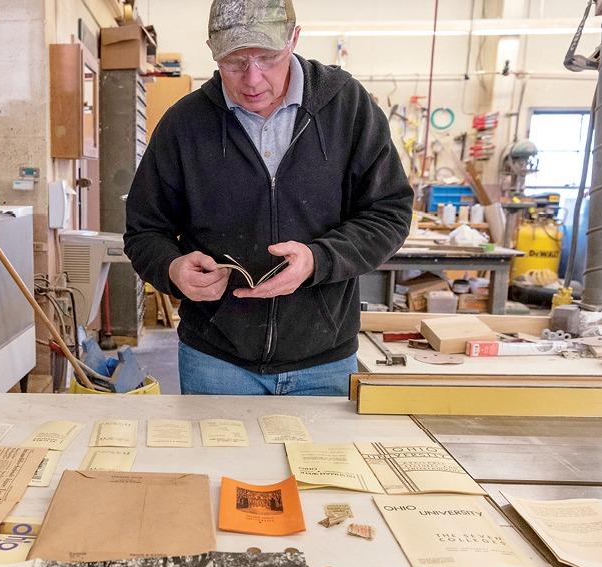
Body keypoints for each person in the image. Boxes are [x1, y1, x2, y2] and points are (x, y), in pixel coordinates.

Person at [124, 0, 412, 396]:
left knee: (319, 461)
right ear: (211, 49)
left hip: (324, 360)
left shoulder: (347, 107)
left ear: (294, 39)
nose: (252, 79)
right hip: (216, 360)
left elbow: (389, 211)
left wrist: (318, 259)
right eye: (234, 62)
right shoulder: (184, 125)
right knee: (223, 461)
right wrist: (173, 269)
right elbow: (144, 231)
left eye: (268, 57)